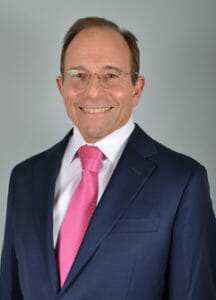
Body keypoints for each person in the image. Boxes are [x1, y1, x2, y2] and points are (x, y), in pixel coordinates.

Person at [0, 17, 216, 300]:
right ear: (61, 85)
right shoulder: (25, 179)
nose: (92, 91)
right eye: (78, 74)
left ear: (136, 89)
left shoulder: (182, 181)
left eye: (110, 75)